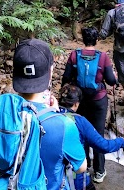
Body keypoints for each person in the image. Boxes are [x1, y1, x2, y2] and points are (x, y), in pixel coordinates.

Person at [13, 39, 88, 190]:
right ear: (51, 71)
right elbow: (81, 167)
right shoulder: (64, 125)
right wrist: (54, 115)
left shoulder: (0, 112)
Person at [61, 27, 117, 183]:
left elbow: (66, 77)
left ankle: (84, 165)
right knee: (98, 134)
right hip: (98, 100)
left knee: (80, 132)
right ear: (96, 40)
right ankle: (99, 171)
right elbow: (111, 81)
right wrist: (115, 77)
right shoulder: (103, 57)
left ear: (83, 39)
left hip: (79, 101)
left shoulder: (74, 55)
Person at [58, 85, 124, 190]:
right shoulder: (79, 121)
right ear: (76, 103)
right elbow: (103, 146)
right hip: (74, 178)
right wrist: (121, 142)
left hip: (53, 177)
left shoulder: (48, 115)